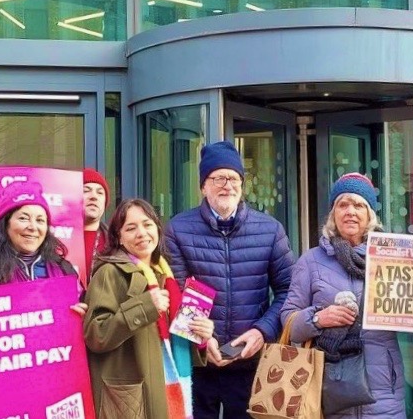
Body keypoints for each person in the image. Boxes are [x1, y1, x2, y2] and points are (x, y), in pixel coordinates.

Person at [283, 173, 413, 419]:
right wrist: (319, 318)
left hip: (383, 391)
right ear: (333, 214)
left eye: (359, 205)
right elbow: (289, 323)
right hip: (328, 390)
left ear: (370, 215)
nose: (350, 211)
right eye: (343, 204)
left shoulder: (392, 258)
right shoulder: (310, 261)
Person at [165, 141, 295, 419]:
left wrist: (263, 331)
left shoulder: (270, 229)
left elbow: (288, 290)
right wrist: (202, 340)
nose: (227, 185)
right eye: (217, 178)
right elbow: (175, 292)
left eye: (234, 178)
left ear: (242, 184)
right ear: (203, 186)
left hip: (251, 361)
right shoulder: (178, 229)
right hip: (198, 363)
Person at [85, 198, 213, 419]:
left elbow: (175, 342)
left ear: (157, 229)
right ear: (119, 238)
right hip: (132, 397)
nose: (141, 233)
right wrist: (144, 306)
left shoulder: (165, 273)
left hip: (170, 391)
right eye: (131, 228)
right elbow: (96, 335)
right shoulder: (109, 273)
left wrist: (201, 336)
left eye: (147, 224)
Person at [0, 179, 86, 299]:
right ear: (5, 224)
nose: (33, 227)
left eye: (40, 220)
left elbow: (81, 307)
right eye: (23, 218)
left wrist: (80, 314)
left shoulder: (64, 268)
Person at [83, 167, 112, 265]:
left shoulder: (115, 242)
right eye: (86, 191)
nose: (93, 197)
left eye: (100, 193)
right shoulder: (55, 240)